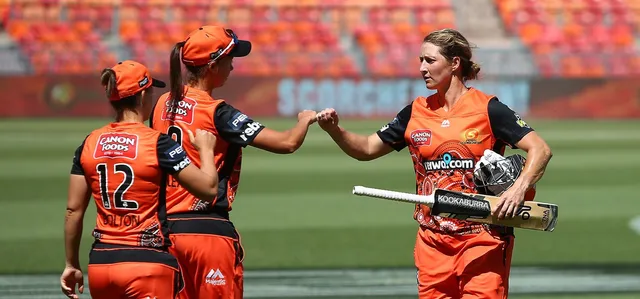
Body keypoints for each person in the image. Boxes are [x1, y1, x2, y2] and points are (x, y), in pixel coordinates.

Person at [316, 28, 553, 299]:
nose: (421, 68)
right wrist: (335, 129)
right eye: (420, 60)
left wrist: (519, 188)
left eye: (430, 60)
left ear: (454, 64)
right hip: (432, 241)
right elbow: (367, 148)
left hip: (482, 237)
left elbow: (540, 149)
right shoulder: (415, 112)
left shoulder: (488, 108)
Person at [149, 25, 317, 299]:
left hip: (164, 233)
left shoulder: (161, 104)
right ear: (213, 65)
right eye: (230, 59)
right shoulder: (217, 112)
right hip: (207, 233)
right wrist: (304, 121)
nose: (233, 67)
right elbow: (287, 143)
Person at [60, 60, 221, 299]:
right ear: (144, 94)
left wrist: (71, 264)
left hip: (102, 264)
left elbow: (73, 211)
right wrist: (206, 150)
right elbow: (208, 189)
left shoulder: (89, 143)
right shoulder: (158, 142)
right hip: (147, 262)